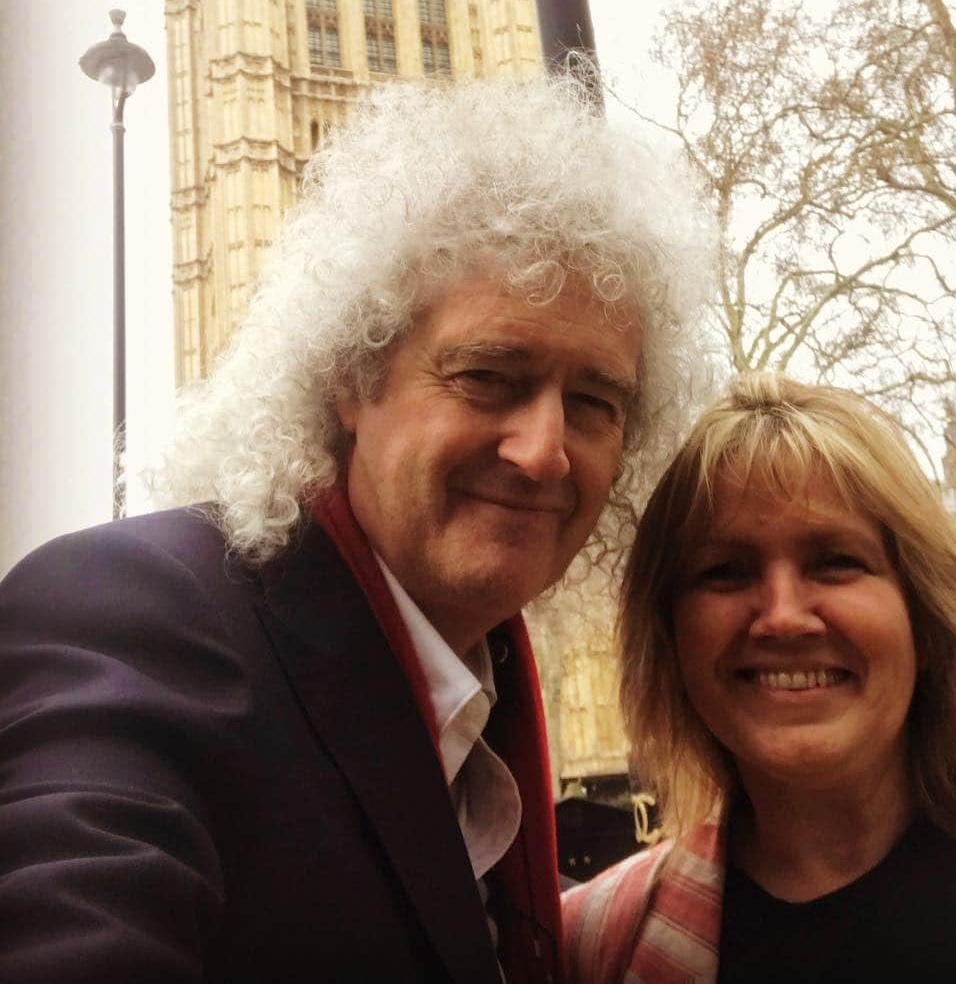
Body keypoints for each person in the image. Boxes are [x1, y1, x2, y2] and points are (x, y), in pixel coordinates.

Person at [0, 79, 711, 983]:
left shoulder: (480, 692)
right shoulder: (135, 613)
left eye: (594, 403)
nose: (544, 451)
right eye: (487, 377)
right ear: (349, 379)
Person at [563, 372, 956, 982]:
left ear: (928, 616)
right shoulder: (587, 949)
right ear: (669, 640)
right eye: (726, 571)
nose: (783, 617)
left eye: (837, 561)